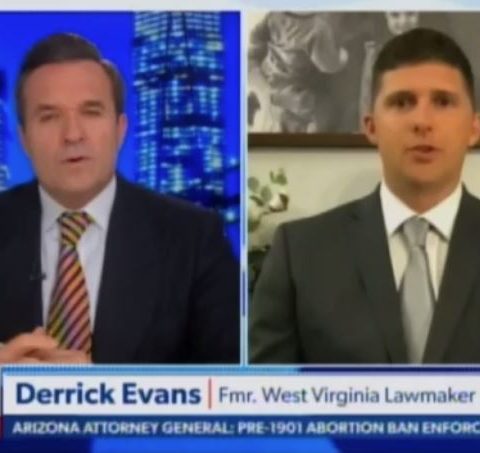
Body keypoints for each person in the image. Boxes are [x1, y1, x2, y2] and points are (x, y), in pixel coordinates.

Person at [0, 33, 239, 364]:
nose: (72, 135)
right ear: (25, 139)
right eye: (50, 116)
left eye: (91, 112)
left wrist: (105, 387)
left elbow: (230, 384)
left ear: (120, 129)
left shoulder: (195, 239)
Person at [249, 28, 480, 364]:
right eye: (402, 102)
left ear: (473, 128)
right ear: (370, 126)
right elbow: (268, 393)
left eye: (443, 102)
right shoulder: (299, 254)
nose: (422, 121)